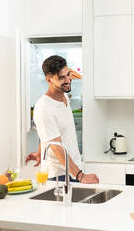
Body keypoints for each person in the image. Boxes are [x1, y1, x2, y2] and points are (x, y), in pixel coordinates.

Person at [26, 55, 99, 184]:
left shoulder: (64, 96)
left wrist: (39, 152)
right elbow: (56, 147)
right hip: (59, 176)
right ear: (48, 80)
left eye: (67, 74)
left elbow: (49, 134)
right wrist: (80, 176)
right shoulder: (44, 108)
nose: (68, 80)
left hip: (72, 170)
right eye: (61, 77)